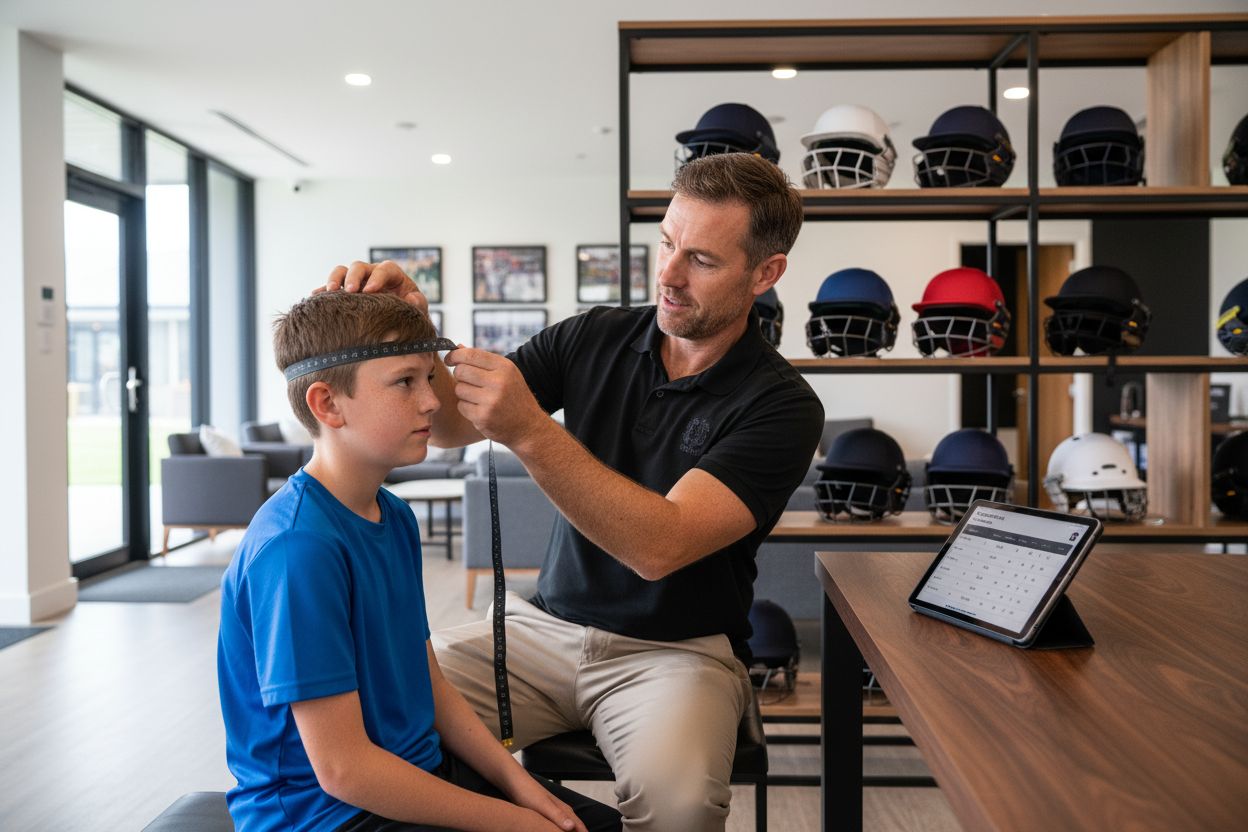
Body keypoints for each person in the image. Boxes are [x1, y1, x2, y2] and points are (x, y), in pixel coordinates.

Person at [324, 152, 824, 831]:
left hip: (676, 655)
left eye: (702, 260)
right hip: (539, 632)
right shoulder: (593, 336)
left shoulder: (782, 406)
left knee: (679, 809)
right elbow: (447, 427)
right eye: (667, 244)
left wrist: (530, 430)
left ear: (765, 273)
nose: (669, 275)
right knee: (377, 716)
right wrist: (416, 329)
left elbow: (660, 546)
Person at [217, 291, 621, 832]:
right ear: (328, 404)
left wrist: (520, 786)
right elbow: (343, 770)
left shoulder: (394, 516)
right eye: (405, 382)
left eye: (430, 377)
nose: (432, 401)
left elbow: (429, 683)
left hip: (414, 769)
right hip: (328, 816)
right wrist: (516, 823)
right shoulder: (298, 551)